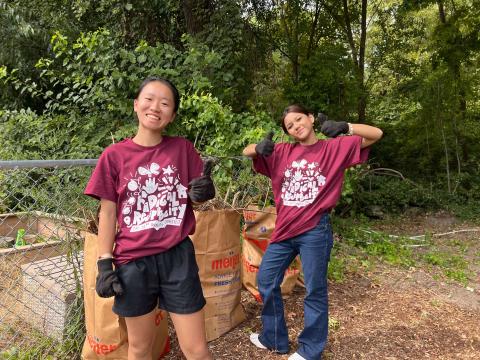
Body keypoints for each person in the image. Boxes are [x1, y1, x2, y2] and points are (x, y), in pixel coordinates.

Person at [84, 76, 215, 360]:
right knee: (140, 348)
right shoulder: (114, 156)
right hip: (133, 262)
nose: (156, 107)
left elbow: (195, 196)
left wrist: (203, 193)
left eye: (165, 103)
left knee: (196, 349)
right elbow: (108, 213)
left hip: (177, 256)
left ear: (172, 115)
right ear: (136, 105)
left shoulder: (182, 149)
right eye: (149, 99)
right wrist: (105, 262)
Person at [242, 105, 383, 360]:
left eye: (299, 119)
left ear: (310, 118)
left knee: (315, 289)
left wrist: (346, 127)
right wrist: (258, 148)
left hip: (315, 230)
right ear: (288, 132)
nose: (296, 126)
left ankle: (310, 350)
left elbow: (376, 133)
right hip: (284, 230)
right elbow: (246, 151)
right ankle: (273, 338)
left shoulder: (333, 148)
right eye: (290, 126)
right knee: (265, 280)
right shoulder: (282, 152)